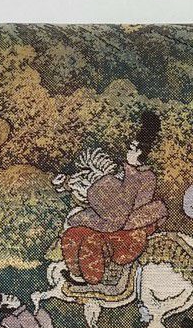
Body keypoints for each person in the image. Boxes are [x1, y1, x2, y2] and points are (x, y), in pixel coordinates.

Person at [59, 111, 168, 287]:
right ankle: (77, 274)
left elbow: (124, 208)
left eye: (132, 149)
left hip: (128, 230)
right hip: (109, 222)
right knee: (73, 234)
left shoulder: (146, 177)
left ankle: (94, 281)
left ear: (141, 153)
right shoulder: (124, 171)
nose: (128, 151)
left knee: (91, 242)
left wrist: (127, 173)